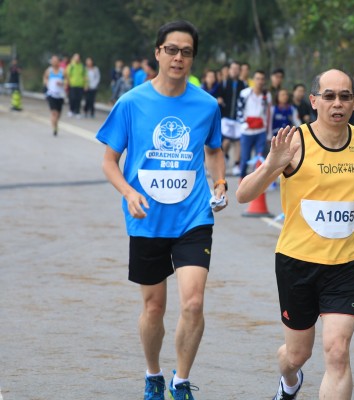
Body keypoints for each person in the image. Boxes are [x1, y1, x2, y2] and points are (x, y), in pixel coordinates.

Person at [236, 69, 354, 400]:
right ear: (314, 101)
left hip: (345, 264)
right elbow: (243, 194)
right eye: (329, 96)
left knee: (338, 351)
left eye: (344, 96)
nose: (337, 103)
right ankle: (289, 381)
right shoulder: (295, 142)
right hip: (296, 262)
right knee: (297, 355)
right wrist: (271, 165)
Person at [96, 20, 227, 400]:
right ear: (158, 53)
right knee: (154, 307)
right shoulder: (131, 102)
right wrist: (128, 193)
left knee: (194, 303)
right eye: (171, 50)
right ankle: (153, 374)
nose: (178, 58)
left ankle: (181, 381)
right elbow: (109, 161)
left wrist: (220, 182)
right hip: (147, 219)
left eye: (186, 52)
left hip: (193, 218)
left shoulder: (206, 105)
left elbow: (214, 150)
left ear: (193, 58)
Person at [237, 69, 271, 179]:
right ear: (253, 80)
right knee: (245, 158)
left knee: (260, 158)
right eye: (257, 79)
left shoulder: (267, 95)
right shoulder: (245, 93)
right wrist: (244, 124)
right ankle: (242, 179)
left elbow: (268, 114)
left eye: (262, 79)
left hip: (260, 131)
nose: (260, 81)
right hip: (247, 132)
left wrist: (269, 133)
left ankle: (256, 182)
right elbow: (239, 110)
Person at [217, 61, 246, 176]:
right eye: (232, 68)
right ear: (229, 70)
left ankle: (236, 164)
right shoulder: (224, 83)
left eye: (237, 68)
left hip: (238, 118)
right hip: (226, 117)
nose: (234, 71)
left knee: (238, 141)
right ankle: (223, 158)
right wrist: (219, 99)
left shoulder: (243, 85)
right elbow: (217, 95)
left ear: (240, 71)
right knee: (226, 141)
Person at [43, 55, 66, 136]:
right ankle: (54, 128)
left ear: (58, 62)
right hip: (51, 94)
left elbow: (67, 80)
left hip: (60, 95)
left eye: (56, 61)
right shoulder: (49, 70)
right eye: (53, 61)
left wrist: (62, 83)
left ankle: (55, 124)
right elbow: (45, 78)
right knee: (54, 113)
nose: (54, 63)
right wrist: (46, 83)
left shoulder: (62, 71)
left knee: (58, 114)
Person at [66, 53, 86, 118]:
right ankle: (71, 110)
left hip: (80, 85)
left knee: (79, 99)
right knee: (72, 98)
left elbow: (85, 76)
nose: (77, 59)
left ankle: (77, 111)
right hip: (72, 85)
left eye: (78, 58)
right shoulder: (71, 66)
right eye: (76, 57)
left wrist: (85, 84)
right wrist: (67, 83)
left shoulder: (82, 66)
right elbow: (67, 75)